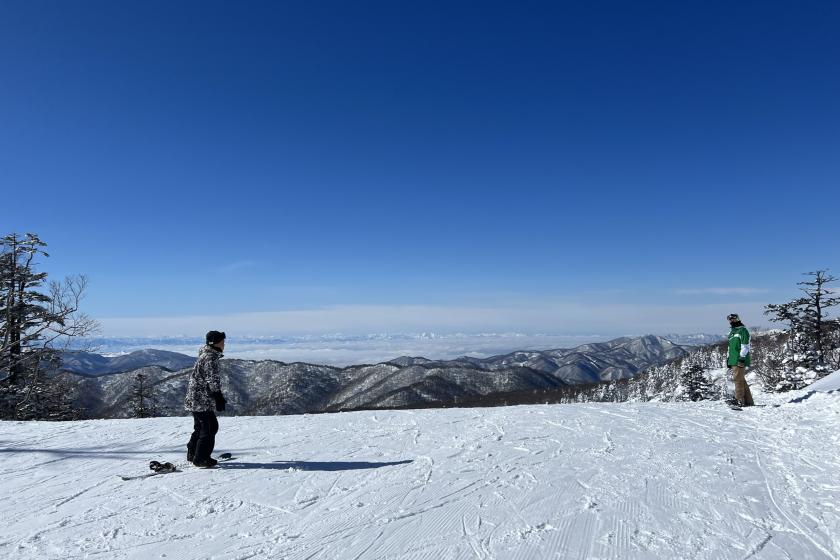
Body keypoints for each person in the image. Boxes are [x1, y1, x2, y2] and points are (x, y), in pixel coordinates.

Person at [185, 330, 228, 467]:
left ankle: (193, 453)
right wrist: (218, 396)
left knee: (201, 427)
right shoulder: (210, 357)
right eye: (222, 341)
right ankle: (201, 458)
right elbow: (212, 379)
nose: (224, 344)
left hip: (195, 398)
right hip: (200, 399)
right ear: (216, 343)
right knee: (210, 427)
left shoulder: (205, 354)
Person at [726, 314, 754, 407]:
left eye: (734, 319)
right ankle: (749, 401)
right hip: (733, 359)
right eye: (730, 320)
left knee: (738, 380)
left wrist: (741, 358)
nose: (732, 321)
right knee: (741, 380)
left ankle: (739, 400)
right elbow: (730, 347)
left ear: (738, 319)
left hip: (739, 359)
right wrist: (728, 359)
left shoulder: (743, 330)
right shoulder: (732, 333)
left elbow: (745, 346)